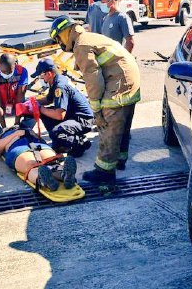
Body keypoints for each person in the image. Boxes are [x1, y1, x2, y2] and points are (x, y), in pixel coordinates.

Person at [49, 15, 141, 186]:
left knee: (108, 126)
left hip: (118, 85)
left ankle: (104, 172)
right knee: (122, 126)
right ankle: (119, 159)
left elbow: (94, 81)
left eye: (58, 38)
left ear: (66, 31)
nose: (59, 43)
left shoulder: (81, 45)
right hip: (129, 82)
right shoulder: (89, 37)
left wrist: (97, 112)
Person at [31, 57, 95, 156]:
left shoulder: (59, 86)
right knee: (46, 116)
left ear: (49, 74)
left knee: (56, 131)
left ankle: (79, 143)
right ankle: (60, 141)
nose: (41, 79)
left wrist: (39, 108)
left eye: (41, 76)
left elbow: (59, 115)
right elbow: (48, 99)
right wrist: (33, 102)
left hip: (83, 120)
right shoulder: (56, 80)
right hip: (73, 115)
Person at [0, 127, 77, 191]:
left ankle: (63, 176)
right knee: (31, 165)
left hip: (38, 145)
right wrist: (15, 134)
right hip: (19, 148)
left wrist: (31, 133)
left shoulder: (28, 129)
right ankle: (55, 176)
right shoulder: (4, 134)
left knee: (52, 161)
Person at [0, 53, 29, 131]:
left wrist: (17, 124)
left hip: (16, 106)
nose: (7, 74)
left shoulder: (22, 72)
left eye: (10, 71)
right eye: (4, 72)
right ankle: (0, 133)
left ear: (15, 65)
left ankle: (23, 130)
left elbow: (20, 99)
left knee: (35, 108)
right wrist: (4, 128)